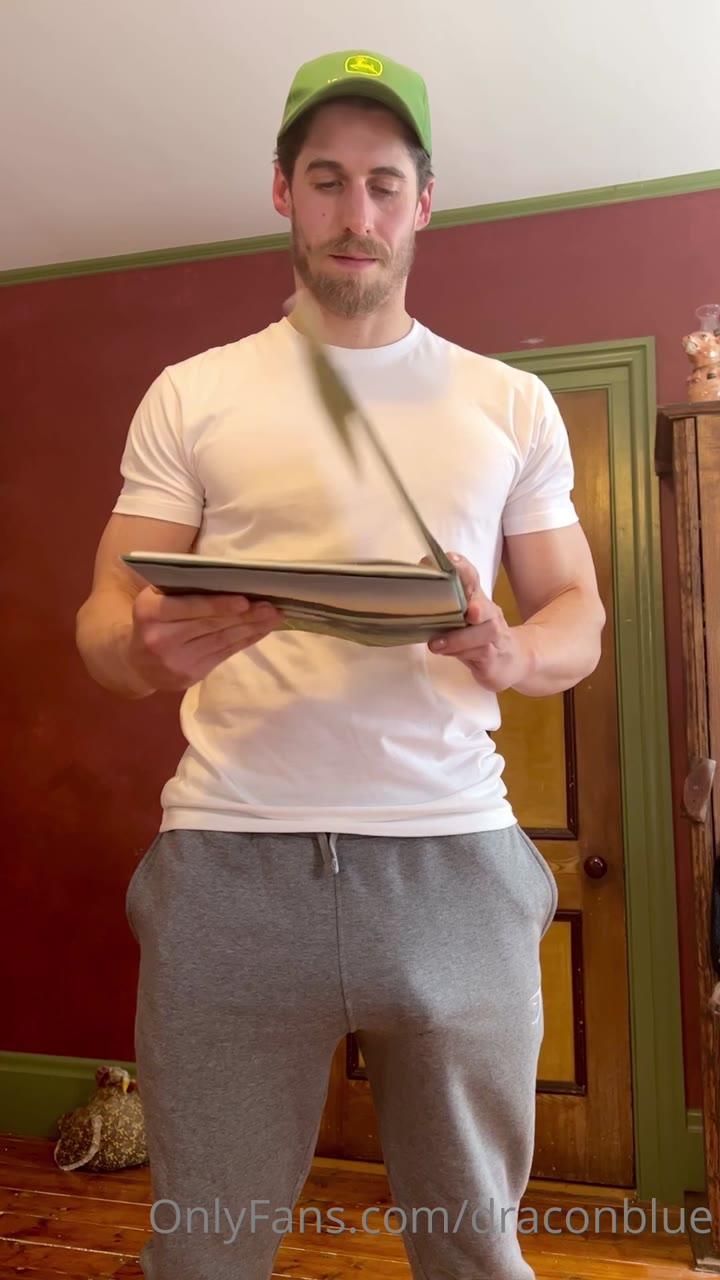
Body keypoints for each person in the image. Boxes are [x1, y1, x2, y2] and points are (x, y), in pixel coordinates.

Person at [76, 48, 605, 1280]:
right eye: (326, 180)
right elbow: (104, 620)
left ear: (424, 201)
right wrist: (145, 643)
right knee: (202, 1257)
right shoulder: (191, 394)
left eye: (383, 182)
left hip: (455, 862)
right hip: (228, 865)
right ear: (284, 191)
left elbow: (579, 610)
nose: (354, 212)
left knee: (474, 1253)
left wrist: (515, 646)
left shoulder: (510, 402)